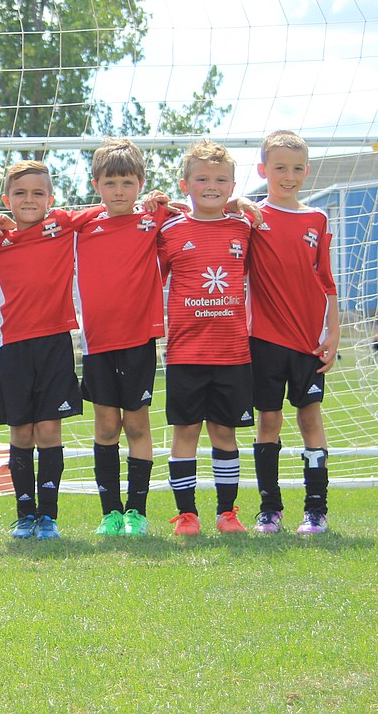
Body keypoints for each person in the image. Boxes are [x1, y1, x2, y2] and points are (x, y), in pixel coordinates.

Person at [0, 161, 84, 540]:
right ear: (6, 199)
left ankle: (48, 517)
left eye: (38, 193)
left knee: (49, 429)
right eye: (20, 193)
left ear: (50, 198)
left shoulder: (65, 225)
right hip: (13, 347)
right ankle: (25, 514)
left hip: (56, 342)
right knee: (21, 432)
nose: (29, 199)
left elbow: (112, 210)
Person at [74, 139, 170, 537]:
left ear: (141, 183)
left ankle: (137, 512)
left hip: (138, 341)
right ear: (96, 183)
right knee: (106, 426)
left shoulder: (154, 219)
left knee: (136, 426)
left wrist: (162, 202)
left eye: (127, 183)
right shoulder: (80, 226)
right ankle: (110, 513)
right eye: (110, 183)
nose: (119, 191)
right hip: (97, 342)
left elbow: (206, 206)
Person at [157, 140, 253, 536]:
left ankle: (227, 513)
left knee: (224, 432)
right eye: (202, 178)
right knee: (186, 432)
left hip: (233, 352)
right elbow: (149, 283)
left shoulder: (245, 228)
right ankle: (187, 515)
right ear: (186, 185)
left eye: (220, 179)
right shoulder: (170, 231)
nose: (211, 185)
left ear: (232, 187)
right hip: (186, 352)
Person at [248, 130, 340, 535]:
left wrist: (333, 334)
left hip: (308, 343)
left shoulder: (317, 219)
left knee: (310, 421)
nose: (289, 176)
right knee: (268, 422)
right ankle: (270, 509)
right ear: (263, 169)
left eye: (297, 168)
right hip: (264, 341)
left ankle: (315, 510)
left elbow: (327, 281)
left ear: (308, 171)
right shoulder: (250, 217)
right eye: (280, 167)